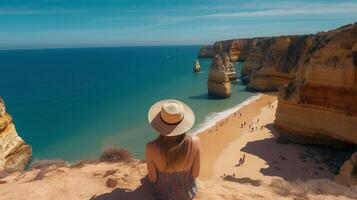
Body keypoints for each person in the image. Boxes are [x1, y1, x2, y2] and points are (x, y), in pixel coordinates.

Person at [146, 99, 201, 200]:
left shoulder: (151, 147)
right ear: (183, 121)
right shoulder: (196, 141)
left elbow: (153, 179)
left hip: (163, 195)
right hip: (188, 194)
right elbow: (195, 174)